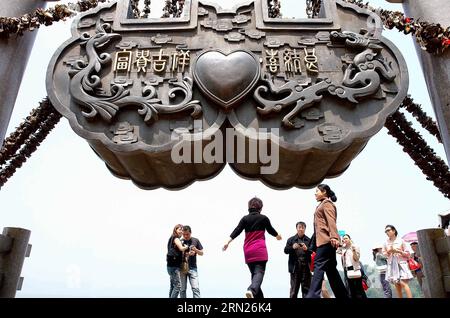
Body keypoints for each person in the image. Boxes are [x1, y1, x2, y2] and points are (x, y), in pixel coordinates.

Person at [223, 197, 282, 298]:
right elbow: (271, 230)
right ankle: (251, 290)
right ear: (260, 207)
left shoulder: (245, 219)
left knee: (255, 276)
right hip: (259, 251)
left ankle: (256, 295)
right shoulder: (263, 218)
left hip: (248, 251)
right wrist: (278, 235)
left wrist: (227, 241)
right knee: (259, 273)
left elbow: (237, 230)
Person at [305, 184, 348, 298]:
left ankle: (312, 295)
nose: (315, 193)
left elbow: (331, 221)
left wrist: (334, 237)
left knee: (318, 266)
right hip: (322, 241)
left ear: (324, 192)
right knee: (331, 270)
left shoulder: (327, 204)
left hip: (326, 241)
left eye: (317, 191)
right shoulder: (321, 205)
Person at [382, 224, 413, 298]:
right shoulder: (385, 243)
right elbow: (384, 255)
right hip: (391, 265)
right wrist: (389, 251)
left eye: (388, 230)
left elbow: (408, 254)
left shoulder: (401, 241)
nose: (387, 232)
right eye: (386, 231)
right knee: (397, 285)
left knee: (403, 283)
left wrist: (398, 251)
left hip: (401, 264)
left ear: (394, 230)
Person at [284, 221, 312, 298]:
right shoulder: (291, 239)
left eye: (303, 227)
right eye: (299, 227)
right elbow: (285, 250)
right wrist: (292, 247)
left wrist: (306, 249)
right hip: (294, 267)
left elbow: (313, 252)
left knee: (306, 290)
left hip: (306, 267)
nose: (301, 229)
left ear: (305, 229)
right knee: (293, 291)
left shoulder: (309, 240)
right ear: (296, 228)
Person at [180, 225, 204, 298]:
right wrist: (187, 254)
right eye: (184, 234)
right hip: (182, 268)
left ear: (191, 233)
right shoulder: (180, 241)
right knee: (182, 290)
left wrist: (196, 250)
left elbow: (202, 253)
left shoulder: (195, 240)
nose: (185, 236)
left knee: (195, 288)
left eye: (187, 234)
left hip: (193, 268)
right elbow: (176, 255)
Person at [166, 224, 189, 298]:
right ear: (175, 230)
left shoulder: (171, 238)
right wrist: (186, 247)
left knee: (173, 286)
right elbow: (181, 248)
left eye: (182, 230)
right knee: (178, 286)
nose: (181, 231)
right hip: (174, 266)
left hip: (170, 265)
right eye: (179, 229)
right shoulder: (176, 238)